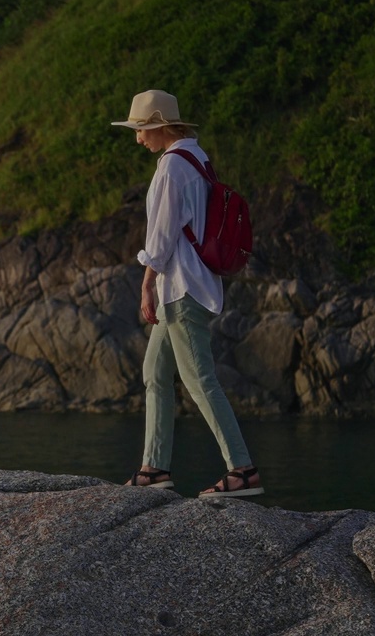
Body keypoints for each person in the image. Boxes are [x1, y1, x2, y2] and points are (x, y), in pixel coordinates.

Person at [111, 90, 263, 499]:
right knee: (155, 372)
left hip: (180, 288)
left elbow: (160, 239)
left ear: (160, 125)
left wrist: (146, 284)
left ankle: (242, 470)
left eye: (141, 129)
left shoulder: (172, 168)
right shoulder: (198, 158)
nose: (138, 138)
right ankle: (154, 468)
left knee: (200, 381)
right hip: (190, 284)